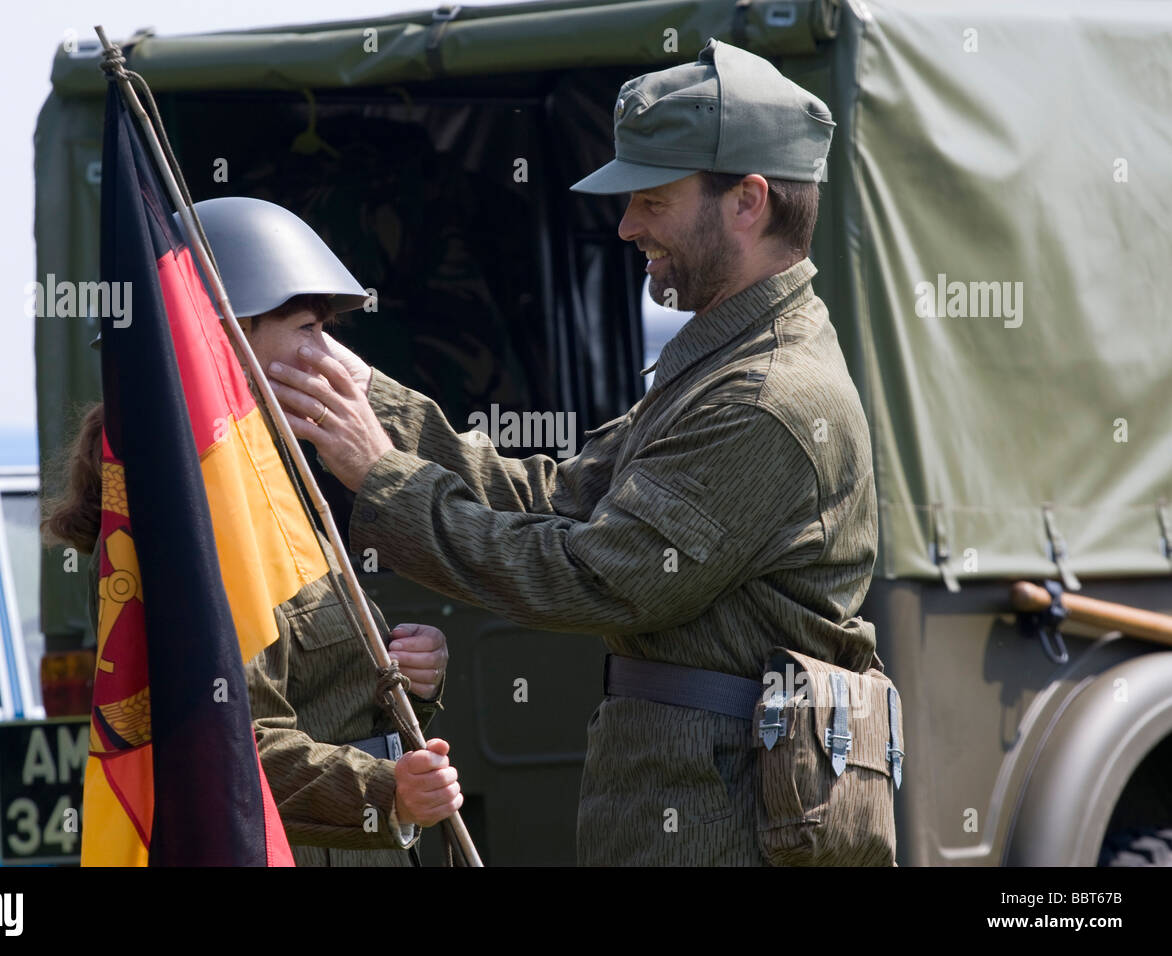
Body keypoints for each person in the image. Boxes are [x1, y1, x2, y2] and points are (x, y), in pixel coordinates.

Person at [265, 39, 880, 865]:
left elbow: (592, 575)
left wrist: (381, 475)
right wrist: (368, 395)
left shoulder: (766, 400)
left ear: (748, 202)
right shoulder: (723, 365)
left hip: (723, 828)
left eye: (653, 201)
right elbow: (551, 496)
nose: (627, 227)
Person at [44, 197, 462, 866]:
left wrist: (411, 675)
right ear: (223, 342)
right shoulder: (195, 516)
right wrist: (387, 792)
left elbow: (324, 697)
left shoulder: (266, 485)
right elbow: (233, 741)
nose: (333, 357)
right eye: (307, 328)